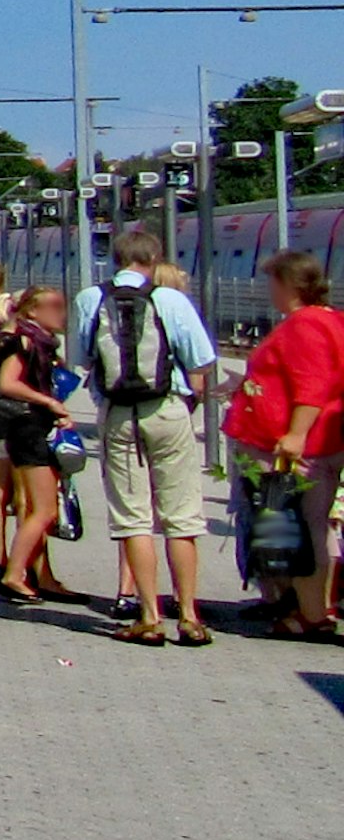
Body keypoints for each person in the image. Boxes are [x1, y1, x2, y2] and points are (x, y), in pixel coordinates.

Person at [70, 230, 217, 645]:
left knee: (133, 518)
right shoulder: (170, 300)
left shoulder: (90, 298)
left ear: (115, 259)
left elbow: (82, 357)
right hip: (167, 409)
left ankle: (149, 617)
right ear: (153, 257)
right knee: (181, 516)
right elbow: (201, 360)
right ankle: (189, 616)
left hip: (117, 415)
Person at [235, 252, 344, 637]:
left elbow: (312, 385)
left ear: (288, 285)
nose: (269, 291)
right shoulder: (328, 319)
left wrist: (296, 434)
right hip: (313, 443)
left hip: (295, 448)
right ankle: (304, 605)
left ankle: (311, 614)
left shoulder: (305, 325)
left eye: (272, 283)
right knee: (305, 527)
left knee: (296, 529)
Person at [0, 283, 79, 605]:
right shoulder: (23, 342)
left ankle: (35, 575)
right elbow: (7, 384)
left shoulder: (37, 341)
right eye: (53, 306)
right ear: (32, 311)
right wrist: (48, 402)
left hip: (28, 427)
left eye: (61, 305)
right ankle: (14, 575)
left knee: (41, 509)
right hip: (25, 429)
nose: (61, 312)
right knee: (42, 510)